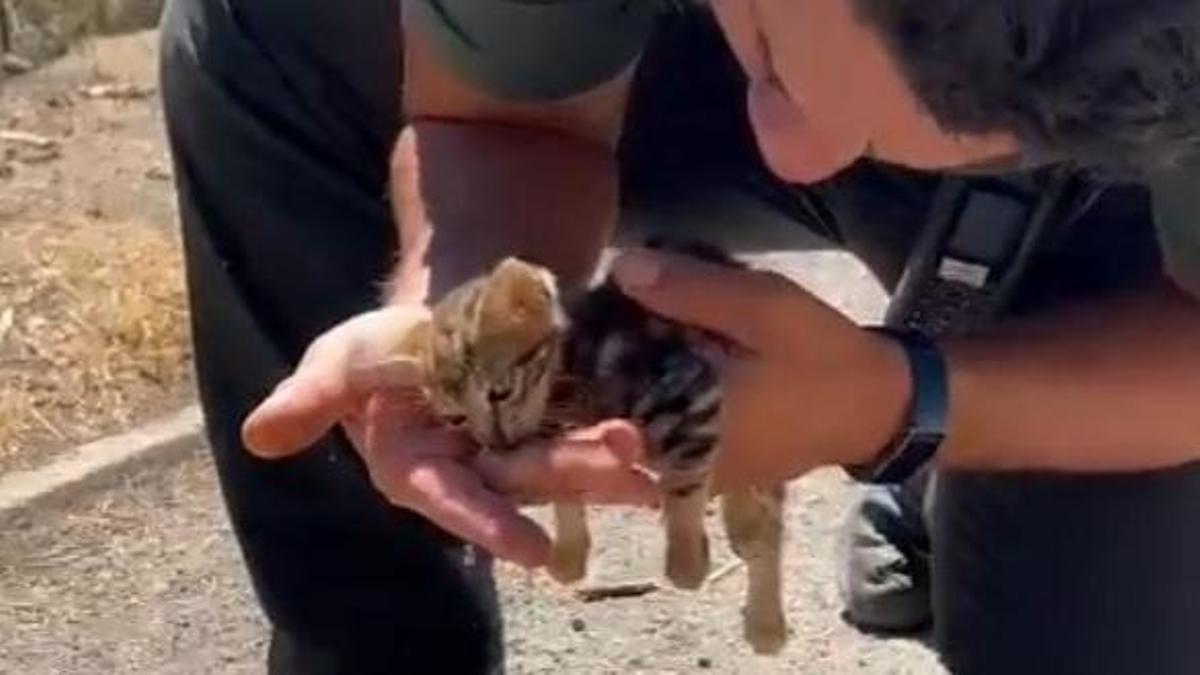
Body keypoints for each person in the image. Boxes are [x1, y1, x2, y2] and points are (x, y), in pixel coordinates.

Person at [159, 0, 1200, 673]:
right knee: (276, 26)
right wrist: (473, 317)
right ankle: (374, 645)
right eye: (789, 90)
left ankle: (961, 440)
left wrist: (903, 400)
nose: (798, 158)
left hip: (1118, 176)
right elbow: (499, 123)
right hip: (672, 37)